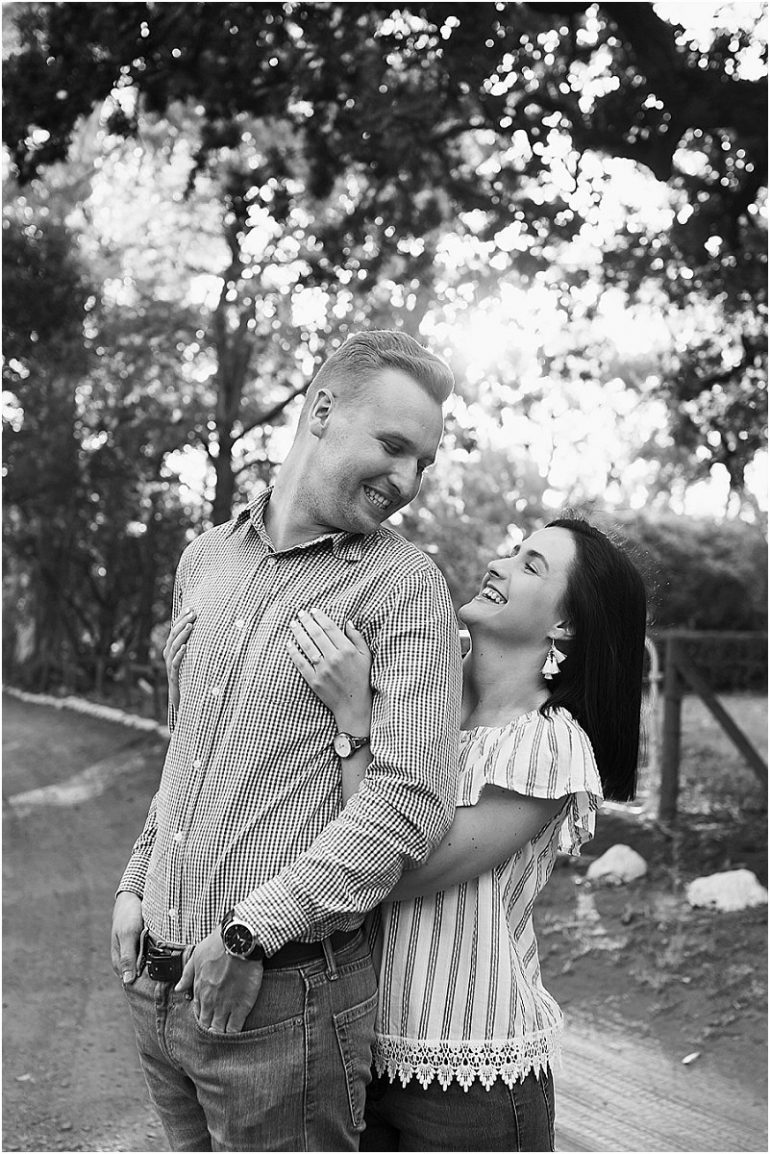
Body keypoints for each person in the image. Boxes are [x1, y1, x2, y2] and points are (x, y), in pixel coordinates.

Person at [110, 330, 463, 1152]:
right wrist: (135, 880)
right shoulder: (205, 560)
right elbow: (190, 751)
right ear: (323, 410)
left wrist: (248, 934)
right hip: (156, 983)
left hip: (281, 1001)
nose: (407, 480)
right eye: (393, 446)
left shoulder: (404, 586)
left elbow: (410, 802)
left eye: (422, 462)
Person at [285, 517, 647, 1151]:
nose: (499, 564)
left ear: (565, 625)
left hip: (473, 1080)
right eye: (512, 550)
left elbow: (391, 869)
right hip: (354, 1048)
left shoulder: (547, 745)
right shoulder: (415, 699)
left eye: (532, 565)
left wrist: (354, 721)